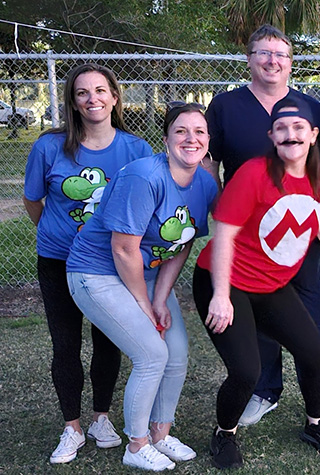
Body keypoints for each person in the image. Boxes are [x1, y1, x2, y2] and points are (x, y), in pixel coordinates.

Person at [193, 97, 320, 467]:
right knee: (246, 371)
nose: (291, 135)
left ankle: (315, 423)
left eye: (298, 128)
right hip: (224, 281)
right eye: (282, 129)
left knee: (315, 355)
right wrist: (221, 297)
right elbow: (223, 235)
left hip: (271, 287)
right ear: (272, 136)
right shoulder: (255, 173)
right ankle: (224, 433)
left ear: (313, 134)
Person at [203, 24, 320, 435]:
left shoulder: (308, 105)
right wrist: (215, 202)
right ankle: (265, 391)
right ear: (249, 59)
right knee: (254, 316)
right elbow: (208, 162)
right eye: (263, 53)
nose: (272, 61)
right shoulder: (225, 105)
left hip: (299, 230)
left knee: (310, 315)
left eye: (281, 54)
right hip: (249, 234)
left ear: (290, 63)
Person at [65, 103, 217, 471]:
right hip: (97, 272)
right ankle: (136, 445)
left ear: (208, 141)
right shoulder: (144, 176)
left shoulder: (206, 183)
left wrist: (161, 298)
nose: (190, 138)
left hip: (145, 276)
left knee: (176, 352)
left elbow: (183, 242)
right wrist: (145, 305)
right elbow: (122, 247)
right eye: (181, 131)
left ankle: (161, 435)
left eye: (199, 131)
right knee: (152, 354)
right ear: (165, 139)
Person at [23, 63, 152, 465]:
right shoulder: (49, 146)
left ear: (115, 97)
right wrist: (55, 232)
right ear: (73, 102)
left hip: (106, 264)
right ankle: (72, 427)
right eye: (82, 93)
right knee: (65, 343)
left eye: (100, 90)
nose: (92, 98)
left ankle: (101, 418)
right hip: (58, 259)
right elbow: (33, 200)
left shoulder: (136, 149)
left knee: (108, 340)